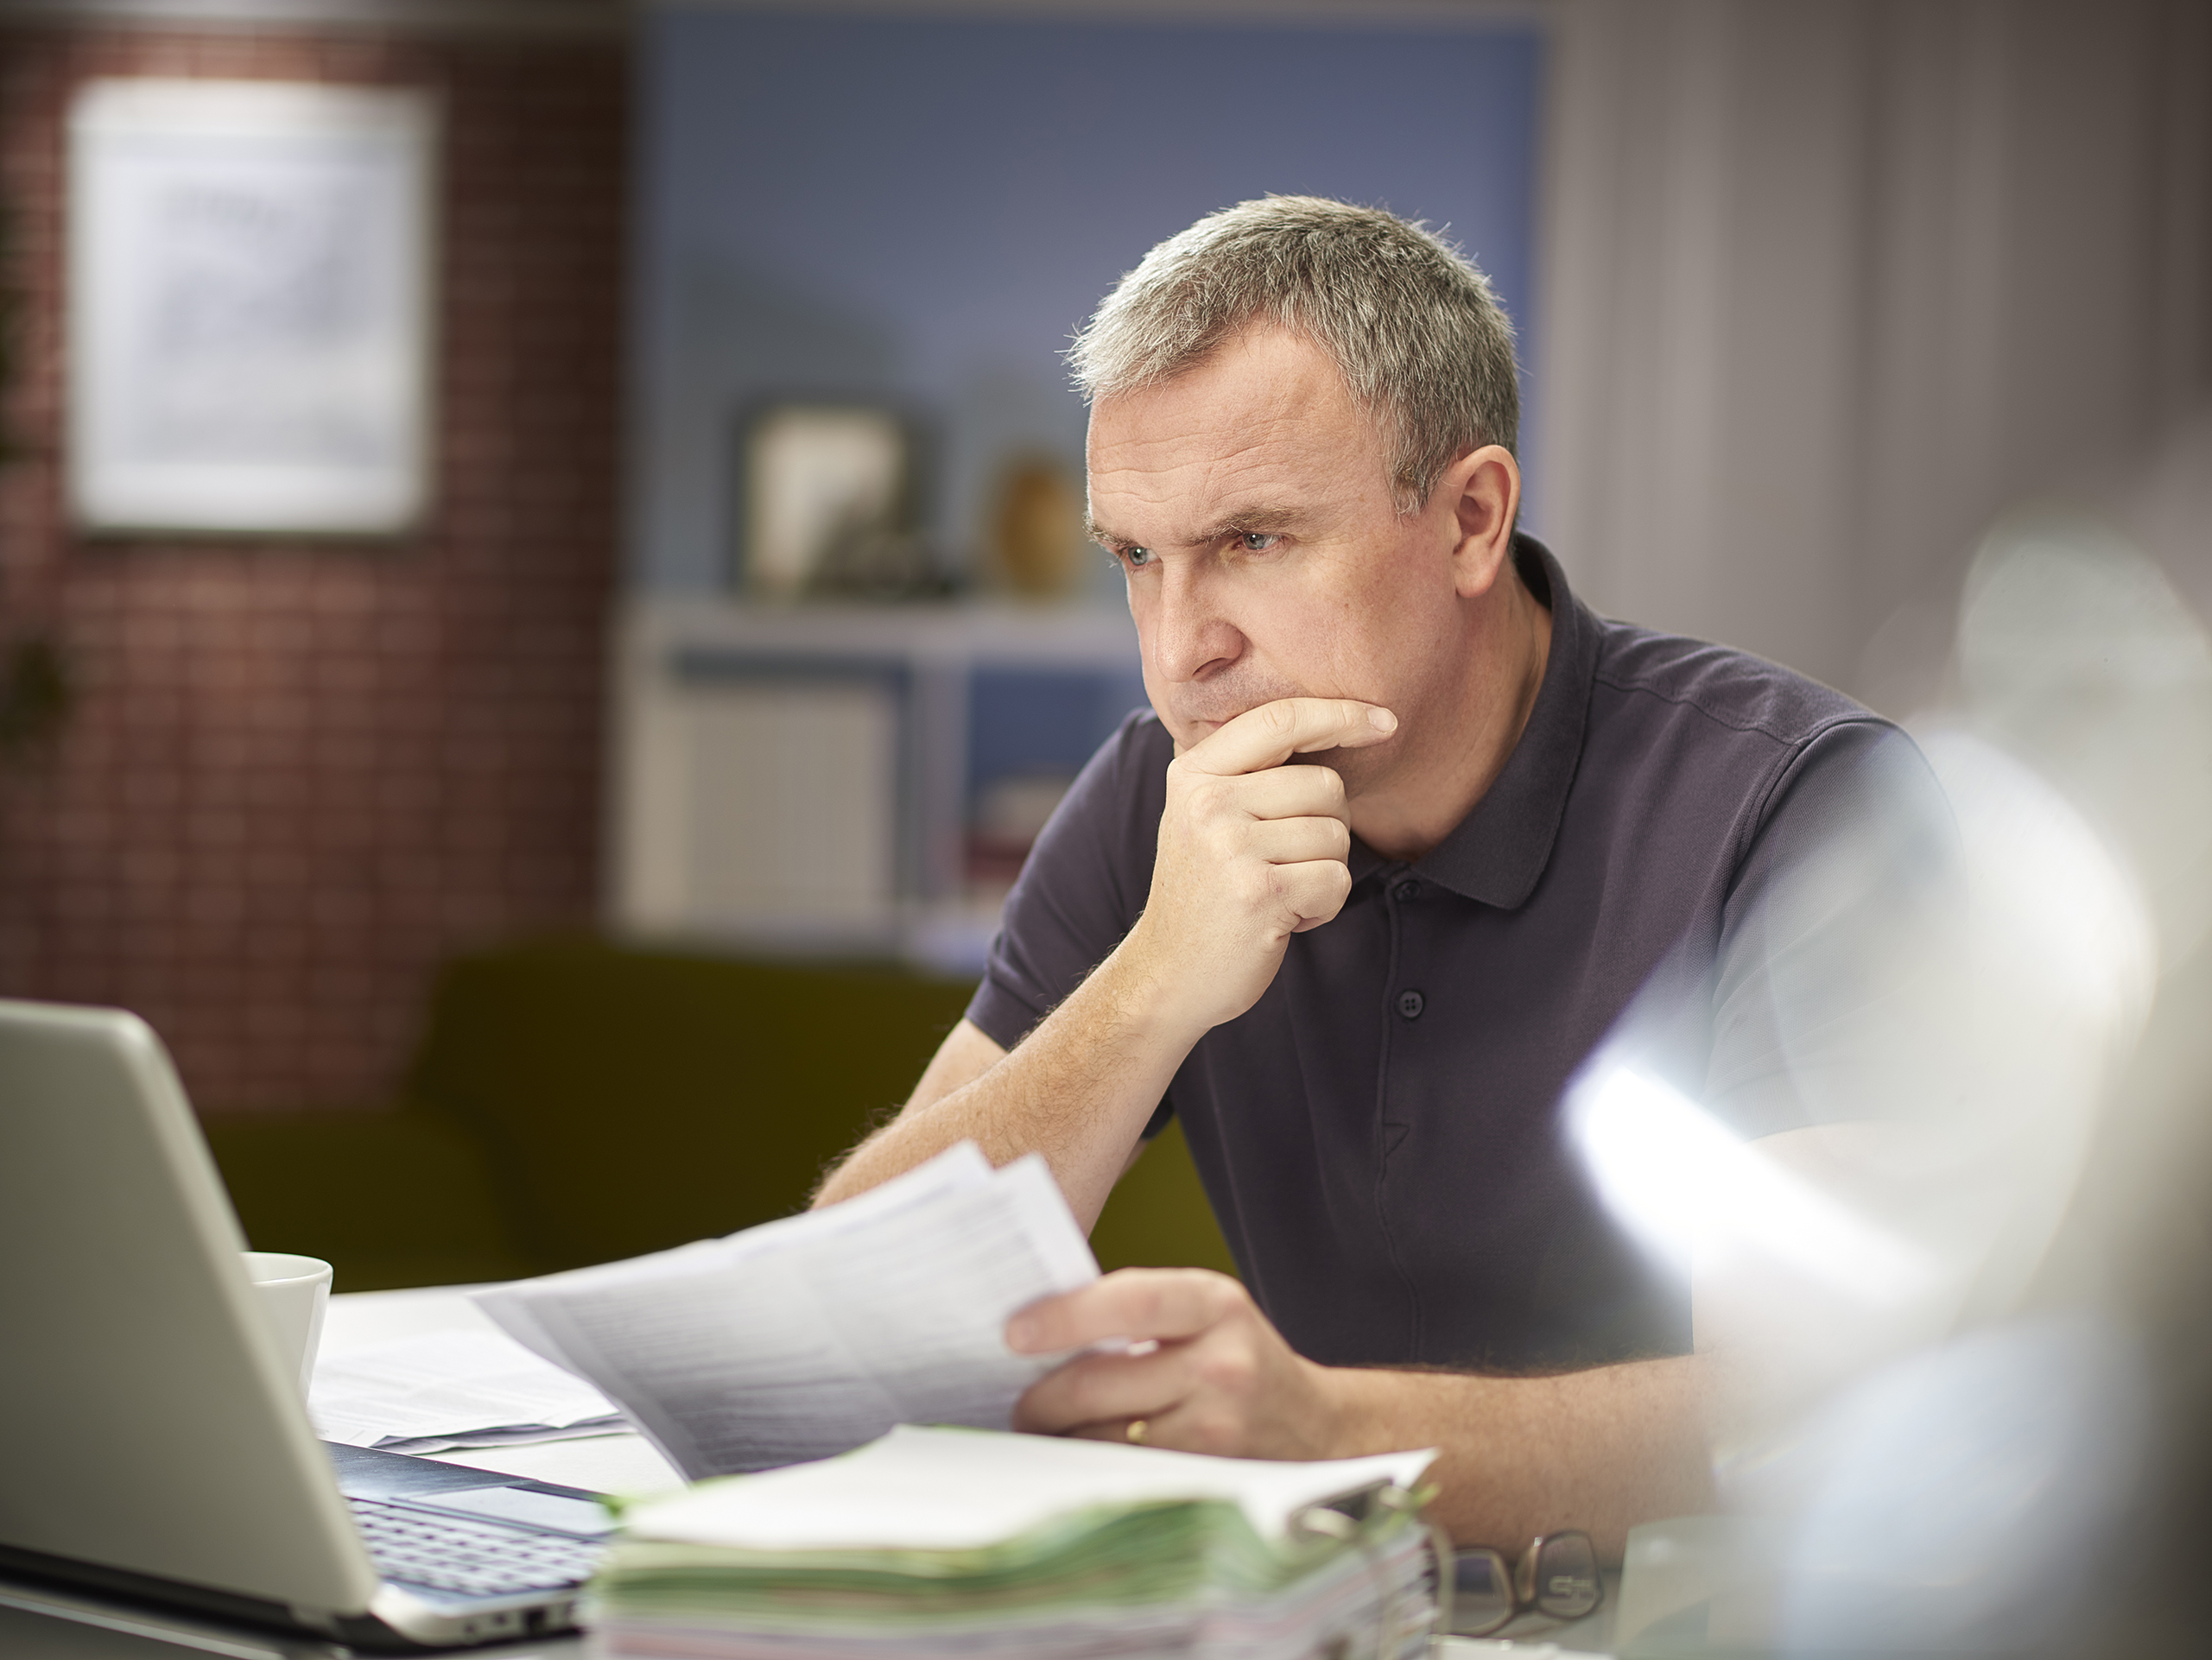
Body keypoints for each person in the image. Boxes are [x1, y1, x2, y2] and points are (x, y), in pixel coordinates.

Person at [813, 197, 1949, 1558]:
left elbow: (1822, 1399)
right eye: (1135, 559)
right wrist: (1153, 984)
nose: (1181, 652)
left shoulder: (1805, 805)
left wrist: (1337, 1438)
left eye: (1254, 542)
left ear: (1471, 518)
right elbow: (843, 1308)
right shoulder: (1158, 795)